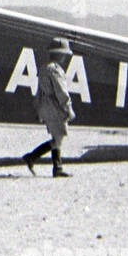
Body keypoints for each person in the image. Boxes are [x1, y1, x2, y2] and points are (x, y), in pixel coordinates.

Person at [22, 37, 76, 178]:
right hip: (55, 107)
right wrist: (68, 108)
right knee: (59, 137)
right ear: (58, 54)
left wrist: (38, 108)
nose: (65, 57)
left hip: (45, 106)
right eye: (64, 53)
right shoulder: (55, 70)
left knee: (56, 136)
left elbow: (39, 92)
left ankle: (57, 168)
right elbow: (61, 91)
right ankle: (32, 157)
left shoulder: (44, 68)